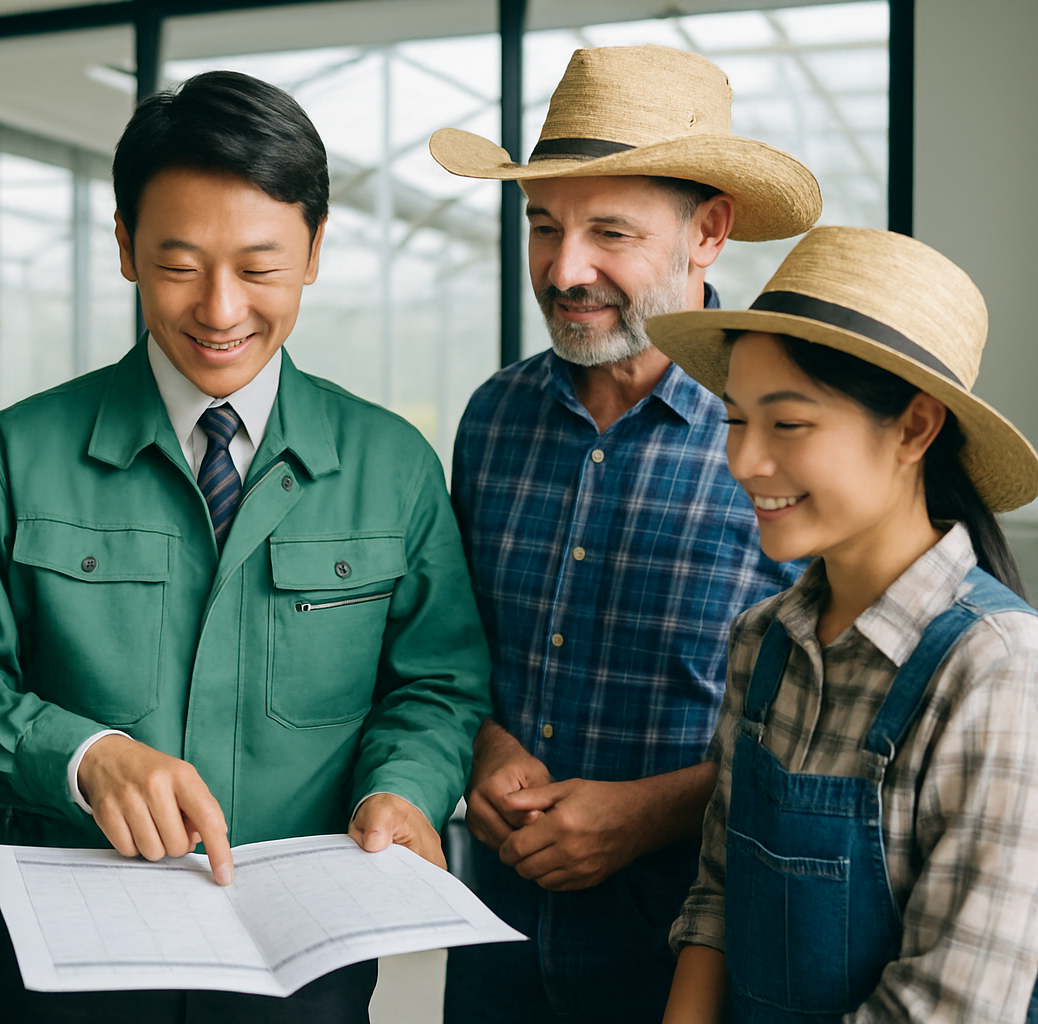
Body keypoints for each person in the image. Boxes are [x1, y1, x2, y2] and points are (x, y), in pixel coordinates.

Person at [0, 69, 492, 1022]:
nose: (220, 310)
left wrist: (404, 789)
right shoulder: (18, 453)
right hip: (79, 976)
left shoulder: (394, 465)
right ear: (127, 249)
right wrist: (81, 754)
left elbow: (438, 685)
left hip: (305, 975)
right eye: (180, 266)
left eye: (259, 267)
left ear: (314, 251)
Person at [428, 45, 818, 1022]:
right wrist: (481, 745)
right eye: (543, 226)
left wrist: (649, 813)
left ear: (709, 231)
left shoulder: (793, 435)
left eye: (610, 231)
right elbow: (446, 644)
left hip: (695, 946)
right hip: (493, 926)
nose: (565, 270)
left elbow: (832, 719)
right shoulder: (492, 417)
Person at [655, 226, 1038, 1022]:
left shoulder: (997, 669)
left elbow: (953, 1005)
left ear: (914, 428)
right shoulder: (761, 641)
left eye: (787, 425)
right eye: (733, 420)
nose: (745, 461)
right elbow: (718, 894)